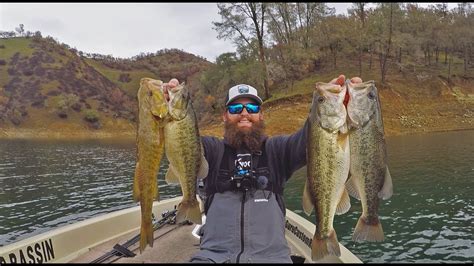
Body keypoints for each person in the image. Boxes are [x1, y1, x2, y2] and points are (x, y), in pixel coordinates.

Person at [162, 75, 361, 263]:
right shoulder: (212, 150)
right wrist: (165, 111)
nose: (244, 113)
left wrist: (331, 107)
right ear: (224, 115)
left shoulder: (277, 150)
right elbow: (182, 142)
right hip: (213, 257)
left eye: (252, 107)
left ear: (261, 114)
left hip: (272, 259)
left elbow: (310, 140)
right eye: (235, 108)